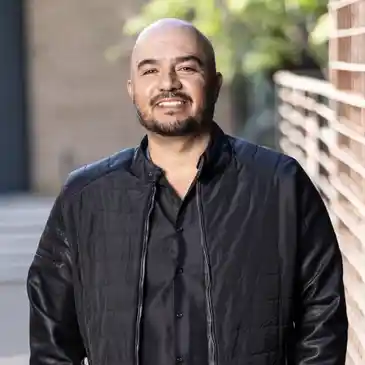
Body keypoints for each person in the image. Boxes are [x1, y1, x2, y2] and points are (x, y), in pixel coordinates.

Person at [27, 18, 348, 365]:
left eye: (187, 67)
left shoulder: (280, 185)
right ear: (132, 88)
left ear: (215, 83)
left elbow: (322, 316)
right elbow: (52, 339)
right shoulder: (85, 197)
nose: (168, 83)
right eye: (150, 71)